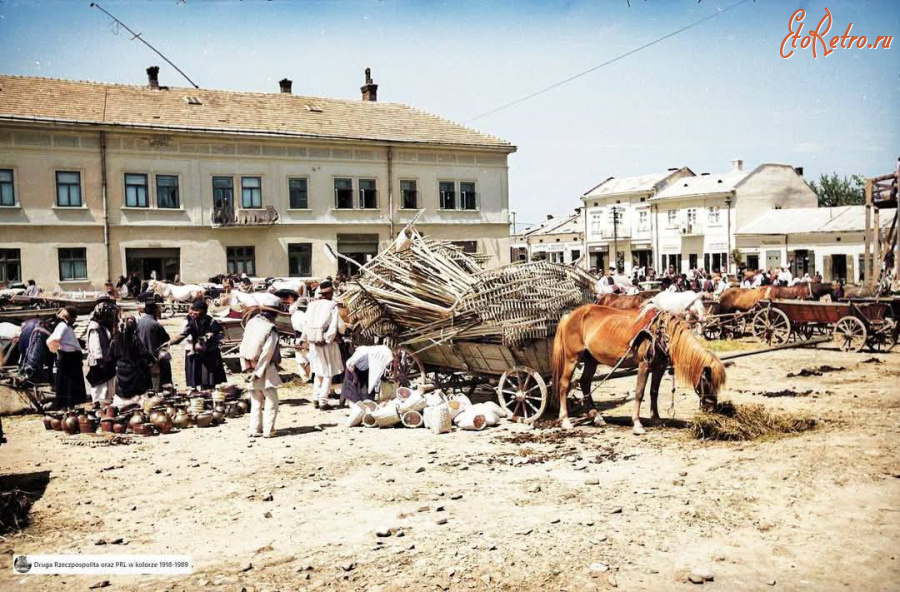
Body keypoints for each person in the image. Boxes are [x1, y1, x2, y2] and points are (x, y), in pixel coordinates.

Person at [301, 280, 345, 409]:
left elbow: (305, 323)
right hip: (326, 343)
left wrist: (305, 338)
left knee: (318, 371)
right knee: (327, 372)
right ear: (330, 293)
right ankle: (323, 402)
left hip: (313, 342)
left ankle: (315, 398)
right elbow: (336, 325)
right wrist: (328, 339)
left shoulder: (311, 305)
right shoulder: (332, 306)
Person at [166, 300, 227, 390]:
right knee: (199, 376)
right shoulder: (193, 321)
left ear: (203, 311)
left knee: (209, 379)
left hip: (211, 352)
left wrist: (211, 336)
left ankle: (210, 391)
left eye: (196, 310)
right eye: (193, 310)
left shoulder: (212, 321)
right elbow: (184, 334)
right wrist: (170, 342)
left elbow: (221, 334)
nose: (194, 312)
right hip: (198, 351)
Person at [240, 310, 282, 438]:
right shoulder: (270, 328)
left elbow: (243, 346)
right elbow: (267, 353)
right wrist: (258, 372)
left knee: (256, 400)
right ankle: (268, 430)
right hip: (264, 368)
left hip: (250, 365)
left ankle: (255, 429)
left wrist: (246, 368)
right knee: (271, 399)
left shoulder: (251, 323)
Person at [111, 316, 156, 406]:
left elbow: (110, 356)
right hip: (135, 372)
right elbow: (144, 353)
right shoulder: (134, 338)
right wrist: (153, 359)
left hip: (121, 373)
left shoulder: (115, 340)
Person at [47, 307, 86, 409]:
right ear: (71, 317)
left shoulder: (66, 327)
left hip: (72, 358)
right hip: (68, 359)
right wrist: (58, 351)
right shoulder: (62, 326)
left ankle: (71, 405)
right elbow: (52, 340)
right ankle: (66, 405)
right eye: (74, 318)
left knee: (72, 384)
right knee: (67, 383)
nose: (75, 320)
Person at [85, 301, 118, 404]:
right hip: (99, 364)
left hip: (106, 361)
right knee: (100, 388)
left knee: (107, 387)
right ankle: (99, 406)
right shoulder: (94, 327)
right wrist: (101, 360)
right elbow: (95, 347)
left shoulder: (103, 326)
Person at [136, 300, 172, 390]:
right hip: (154, 357)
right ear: (155, 311)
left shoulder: (139, 322)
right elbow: (166, 340)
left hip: (141, 356)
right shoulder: (156, 324)